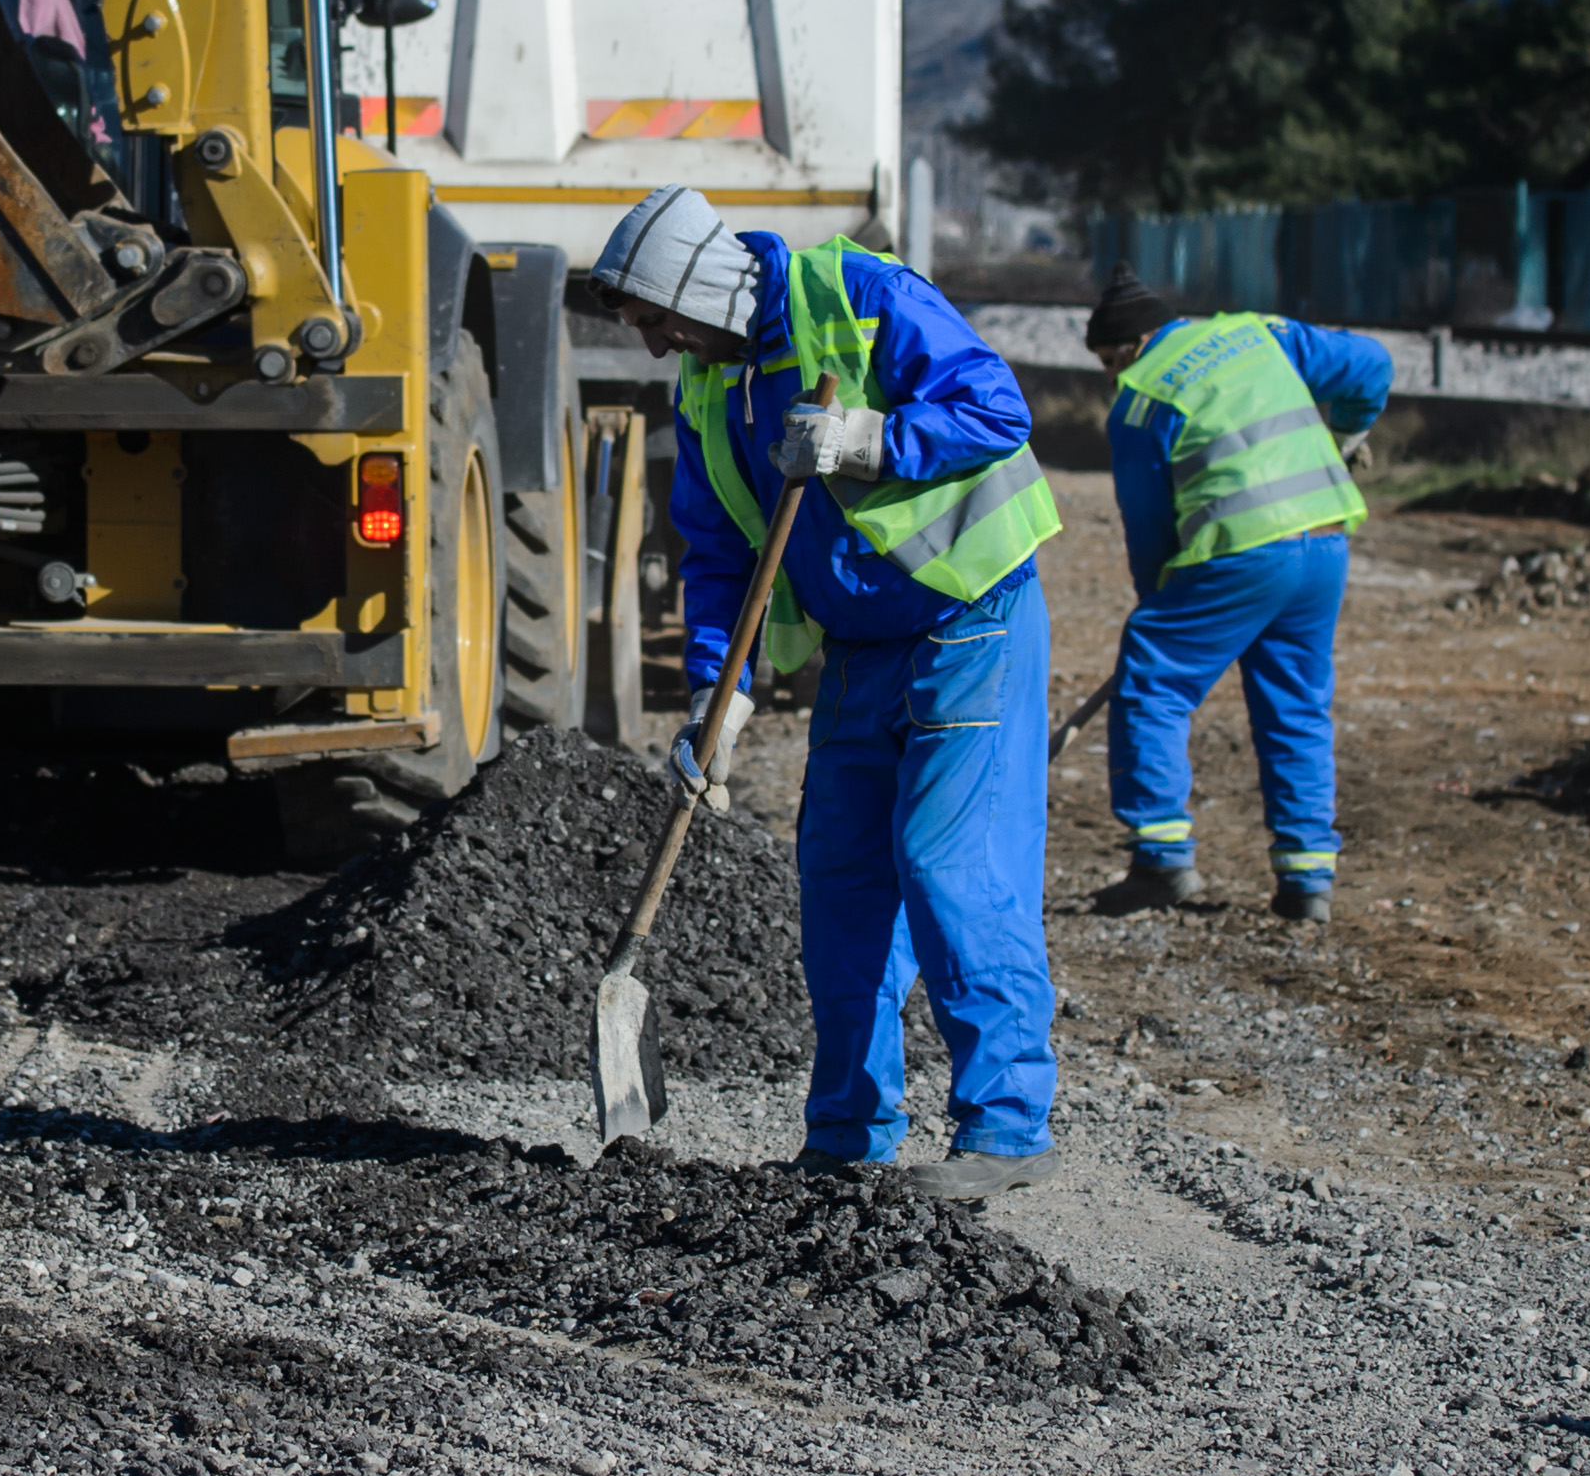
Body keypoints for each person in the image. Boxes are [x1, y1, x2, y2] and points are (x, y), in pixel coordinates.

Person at [586, 185, 1068, 1196]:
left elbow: (997, 409)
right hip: (856, 647)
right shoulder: (708, 383)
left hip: (967, 620)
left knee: (948, 868)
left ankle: (1005, 1131)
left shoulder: (857, 293)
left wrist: (868, 443)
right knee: (841, 889)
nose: (652, 347)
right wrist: (720, 700)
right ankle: (848, 1134)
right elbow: (714, 551)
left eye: (654, 323)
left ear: (696, 290)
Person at [1083, 270, 1391, 924]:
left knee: (1153, 683)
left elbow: (1148, 530)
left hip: (1242, 552)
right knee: (1297, 706)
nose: (1112, 376)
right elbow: (1372, 365)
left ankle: (1160, 857)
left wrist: (1157, 606)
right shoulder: (1260, 335)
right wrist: (1349, 437)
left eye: (1110, 361)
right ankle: (1307, 878)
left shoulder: (1141, 398)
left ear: (1136, 344)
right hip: (1324, 540)